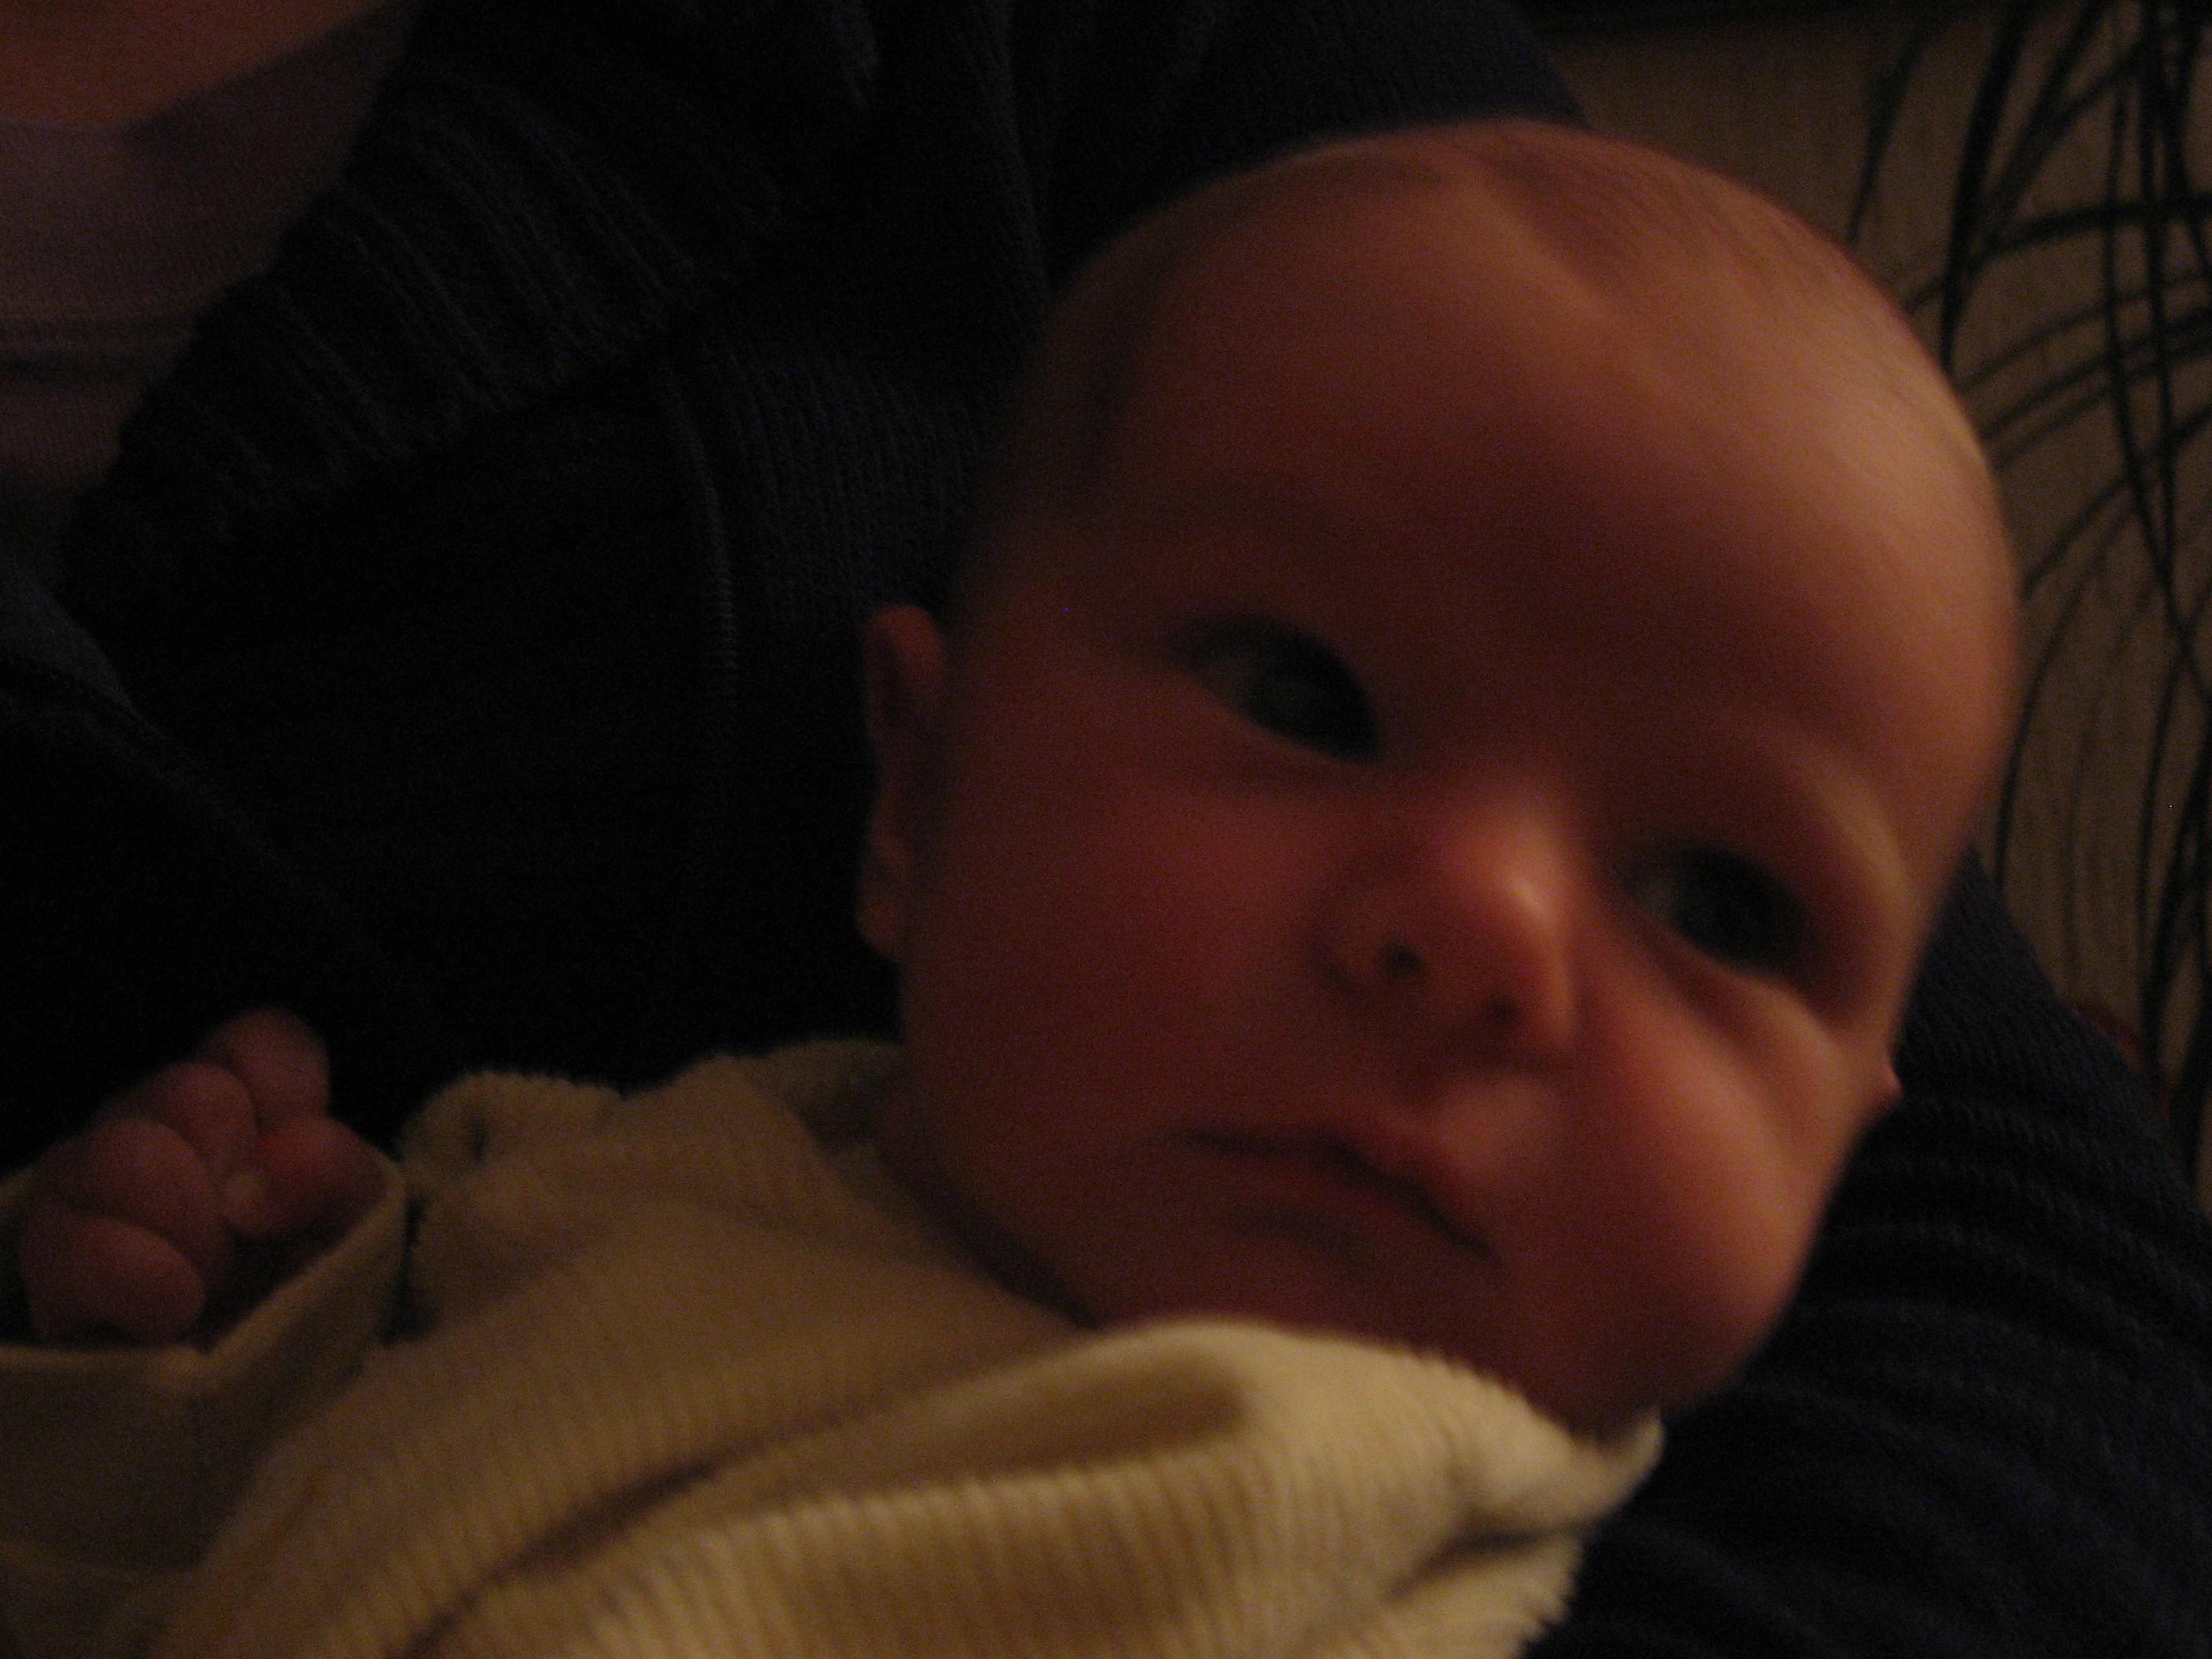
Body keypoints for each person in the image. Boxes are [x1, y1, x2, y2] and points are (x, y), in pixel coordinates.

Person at [2, 0, 2209, 1655]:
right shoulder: (606, 1185)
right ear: (914, 791)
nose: (1484, 926)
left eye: (1722, 904)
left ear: (1848, 1139)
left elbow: (2041, 1301)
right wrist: (205, 1371)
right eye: (1305, 700)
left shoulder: (1347, 1532)